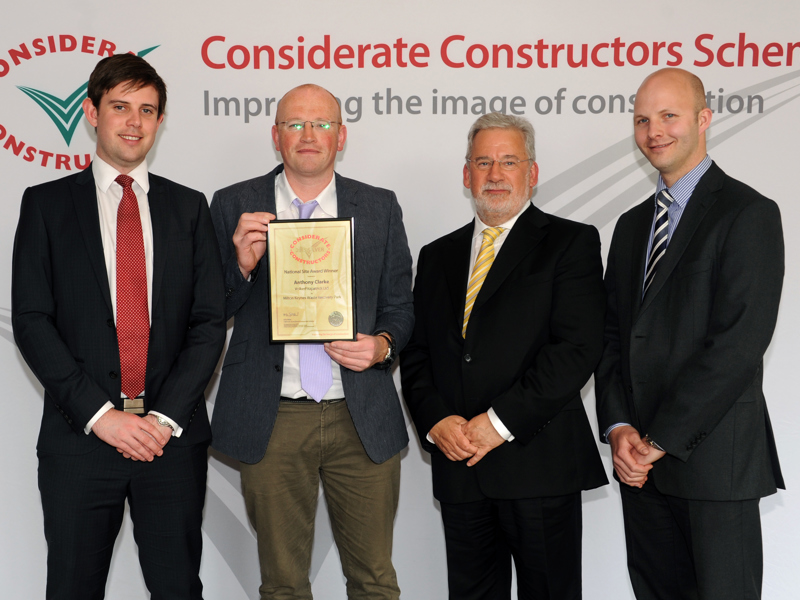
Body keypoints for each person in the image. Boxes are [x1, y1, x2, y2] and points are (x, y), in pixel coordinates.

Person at [11, 53, 226, 600]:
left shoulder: (188, 208)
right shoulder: (45, 206)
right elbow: (33, 323)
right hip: (80, 441)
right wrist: (101, 417)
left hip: (169, 443)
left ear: (159, 121)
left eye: (148, 110)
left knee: (178, 588)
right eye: (120, 107)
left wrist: (164, 418)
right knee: (72, 588)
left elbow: (207, 324)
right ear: (91, 112)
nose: (134, 122)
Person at [209, 83, 414, 600]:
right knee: (282, 585)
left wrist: (383, 347)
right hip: (271, 417)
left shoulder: (379, 206)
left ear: (340, 136)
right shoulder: (233, 204)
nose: (308, 135)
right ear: (275, 136)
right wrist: (240, 267)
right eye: (294, 124)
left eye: (320, 124)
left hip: (359, 412)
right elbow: (207, 311)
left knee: (374, 581)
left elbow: (400, 306)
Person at [400, 112, 608, 600]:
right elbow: (417, 354)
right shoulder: (437, 255)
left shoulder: (571, 242)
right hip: (460, 467)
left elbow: (576, 350)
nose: (495, 175)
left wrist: (495, 424)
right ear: (466, 173)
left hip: (537, 463)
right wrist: (435, 423)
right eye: (483, 162)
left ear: (532, 173)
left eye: (509, 161)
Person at [594, 67, 785, 600]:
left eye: (669, 116)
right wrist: (619, 428)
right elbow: (611, 337)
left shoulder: (748, 213)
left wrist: (660, 440)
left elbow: (739, 345)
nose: (654, 131)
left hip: (713, 467)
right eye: (642, 120)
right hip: (641, 470)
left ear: (703, 119)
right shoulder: (632, 226)